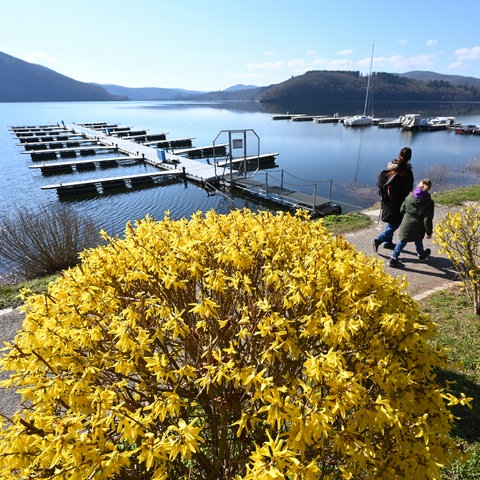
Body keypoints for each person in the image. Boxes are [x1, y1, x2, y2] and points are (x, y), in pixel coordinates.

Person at [373, 147, 414, 252]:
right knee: (395, 224)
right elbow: (409, 189)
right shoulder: (407, 172)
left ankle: (388, 242)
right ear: (409, 157)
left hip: (387, 200)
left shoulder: (390, 167)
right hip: (398, 202)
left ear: (399, 155)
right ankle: (379, 240)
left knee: (391, 221)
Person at [388, 178, 434, 268]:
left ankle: (393, 258)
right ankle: (421, 255)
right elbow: (427, 219)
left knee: (402, 240)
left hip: (406, 223)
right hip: (418, 225)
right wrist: (429, 232)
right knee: (418, 239)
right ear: (429, 188)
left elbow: (402, 210)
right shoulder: (429, 202)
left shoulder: (409, 196)